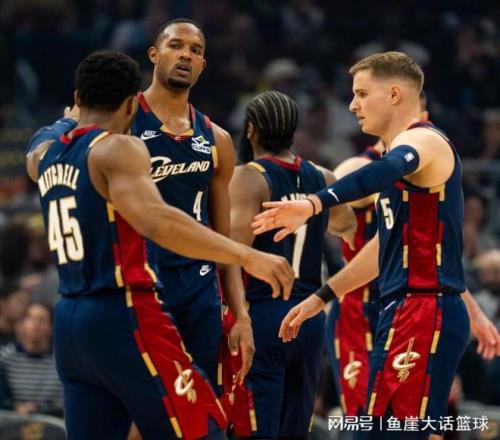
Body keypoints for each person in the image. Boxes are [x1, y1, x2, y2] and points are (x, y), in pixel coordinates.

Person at [25, 50, 294, 440]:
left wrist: (66, 120)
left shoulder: (48, 154)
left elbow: (38, 144)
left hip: (69, 323)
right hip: (122, 311)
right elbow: (158, 221)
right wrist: (247, 254)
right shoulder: (117, 148)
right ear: (132, 105)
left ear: (79, 98)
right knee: (205, 429)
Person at [252, 51, 500, 438]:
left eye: (362, 94)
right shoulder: (396, 162)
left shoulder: (423, 140)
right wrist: (322, 297)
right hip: (402, 308)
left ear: (394, 94)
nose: (353, 105)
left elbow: (385, 169)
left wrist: (314, 203)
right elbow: (383, 248)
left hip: (424, 309)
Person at [222, 90, 356, 439]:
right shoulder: (322, 177)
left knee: (256, 430)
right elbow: (348, 225)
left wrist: (238, 316)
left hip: (264, 316)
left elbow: (232, 255)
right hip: (309, 319)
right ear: (293, 132)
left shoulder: (249, 177)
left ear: (250, 130)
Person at [132, 18, 254, 400]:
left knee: (201, 402)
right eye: (176, 45)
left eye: (195, 50)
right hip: (142, 281)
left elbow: (223, 237)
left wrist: (241, 314)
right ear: (154, 54)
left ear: (202, 65)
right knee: (146, 403)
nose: (185, 55)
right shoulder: (124, 121)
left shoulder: (217, 138)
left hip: (199, 288)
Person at [0, 302, 63, 417]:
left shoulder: (61, 360)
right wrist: (16, 407)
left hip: (52, 421)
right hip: (13, 421)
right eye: (30, 319)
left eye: (42, 320)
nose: (35, 325)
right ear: (21, 324)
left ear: (51, 327)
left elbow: (64, 403)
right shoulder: (5, 357)